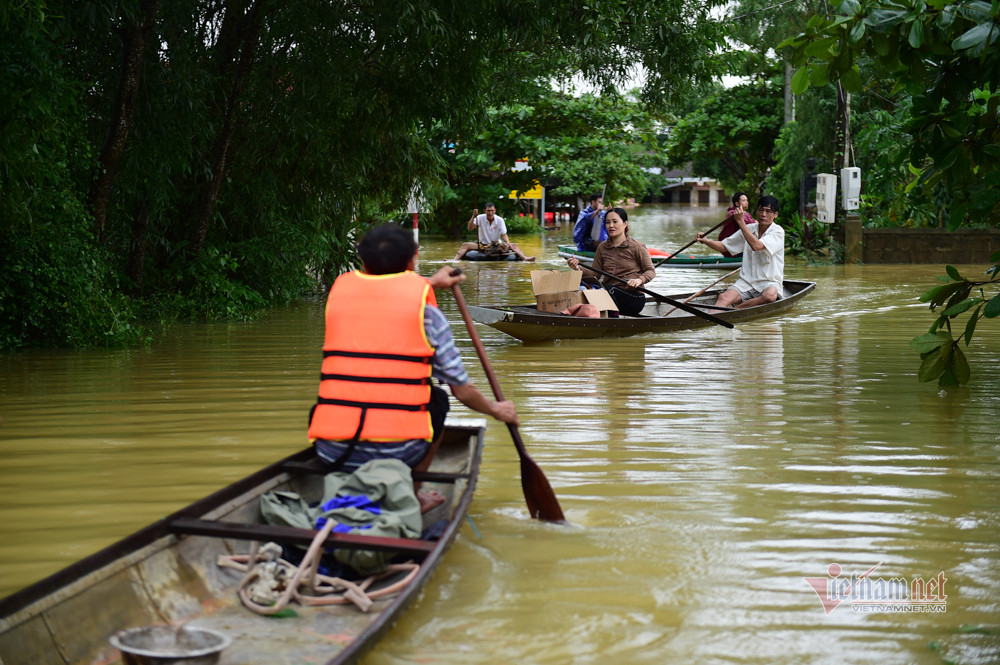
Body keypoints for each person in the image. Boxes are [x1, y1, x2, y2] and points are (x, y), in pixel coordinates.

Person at [310, 224, 520, 511]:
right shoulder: (429, 315)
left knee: (327, 404)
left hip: (331, 448)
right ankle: (414, 491)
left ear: (362, 261)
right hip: (397, 452)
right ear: (413, 260)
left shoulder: (338, 296)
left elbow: (382, 297)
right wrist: (497, 410)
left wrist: (429, 283)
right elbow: (463, 391)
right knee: (437, 399)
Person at [695, 194, 785, 309]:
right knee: (723, 298)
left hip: (769, 283)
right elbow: (724, 246)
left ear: (775, 215)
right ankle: (713, 321)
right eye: (761, 210)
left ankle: (734, 311)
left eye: (768, 211)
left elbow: (756, 245)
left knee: (770, 296)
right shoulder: (750, 228)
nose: (763, 214)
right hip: (747, 283)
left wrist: (740, 221)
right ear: (756, 211)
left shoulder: (777, 232)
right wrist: (706, 240)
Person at [566, 207, 655, 316]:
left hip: (633, 298)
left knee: (608, 289)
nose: (611, 225)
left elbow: (650, 271)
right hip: (609, 295)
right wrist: (578, 268)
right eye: (608, 222)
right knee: (583, 286)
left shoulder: (637, 246)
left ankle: (612, 321)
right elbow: (595, 275)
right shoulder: (602, 247)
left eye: (615, 221)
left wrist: (639, 280)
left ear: (625, 224)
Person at [451, 203, 535, 261]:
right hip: (482, 245)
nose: (490, 213)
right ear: (484, 211)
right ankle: (454, 260)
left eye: (492, 211)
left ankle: (524, 258)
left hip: (496, 245)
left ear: (495, 211)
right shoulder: (480, 218)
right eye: (488, 211)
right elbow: (470, 228)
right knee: (465, 245)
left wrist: (508, 242)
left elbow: (504, 234)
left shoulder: (500, 220)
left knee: (515, 245)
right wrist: (473, 216)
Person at [717, 192, 754, 257]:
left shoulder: (745, 213)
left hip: (739, 245)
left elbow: (753, 223)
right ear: (737, 203)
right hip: (731, 248)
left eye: (746, 200)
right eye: (743, 201)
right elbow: (750, 224)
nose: (746, 202)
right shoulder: (733, 213)